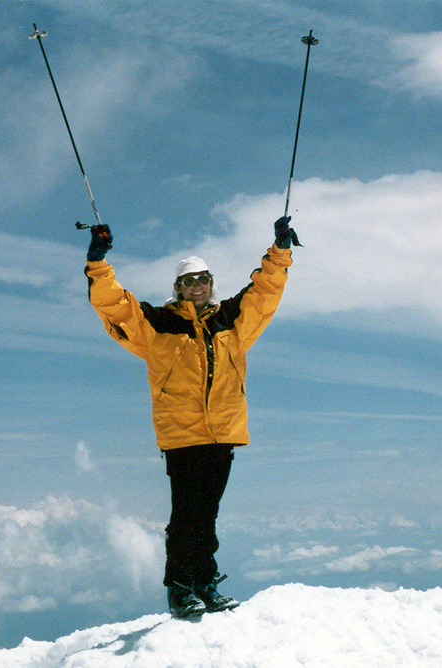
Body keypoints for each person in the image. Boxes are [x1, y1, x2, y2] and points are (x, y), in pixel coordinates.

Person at [84, 216, 297, 618]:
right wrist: (98, 263)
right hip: (182, 435)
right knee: (186, 516)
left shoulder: (231, 320)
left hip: (223, 433)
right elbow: (114, 305)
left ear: (211, 283)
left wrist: (281, 250)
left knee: (207, 516)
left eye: (203, 279)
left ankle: (205, 583)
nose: (196, 286)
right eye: (188, 281)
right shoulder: (158, 325)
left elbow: (265, 292)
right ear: (178, 287)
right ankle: (180, 589)